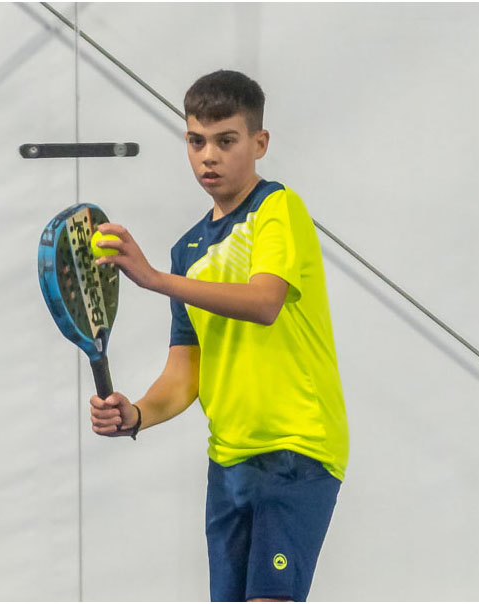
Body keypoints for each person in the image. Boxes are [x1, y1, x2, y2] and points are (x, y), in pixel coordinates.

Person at [89, 69, 349, 602]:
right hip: (228, 462)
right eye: (196, 141)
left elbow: (264, 302)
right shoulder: (186, 251)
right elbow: (184, 373)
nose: (209, 156)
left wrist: (154, 280)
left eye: (226, 141)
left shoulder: (277, 208)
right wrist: (136, 413)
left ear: (260, 143)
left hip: (297, 448)